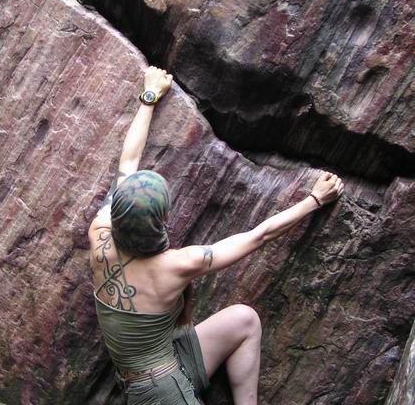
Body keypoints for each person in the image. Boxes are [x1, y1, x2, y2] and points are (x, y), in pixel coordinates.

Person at [88, 66, 344, 405]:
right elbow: (259, 236)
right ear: (164, 219)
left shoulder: (100, 233)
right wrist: (314, 200)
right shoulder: (178, 265)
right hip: (160, 394)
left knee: (244, 320)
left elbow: (127, 164)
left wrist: (149, 97)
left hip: (167, 359)